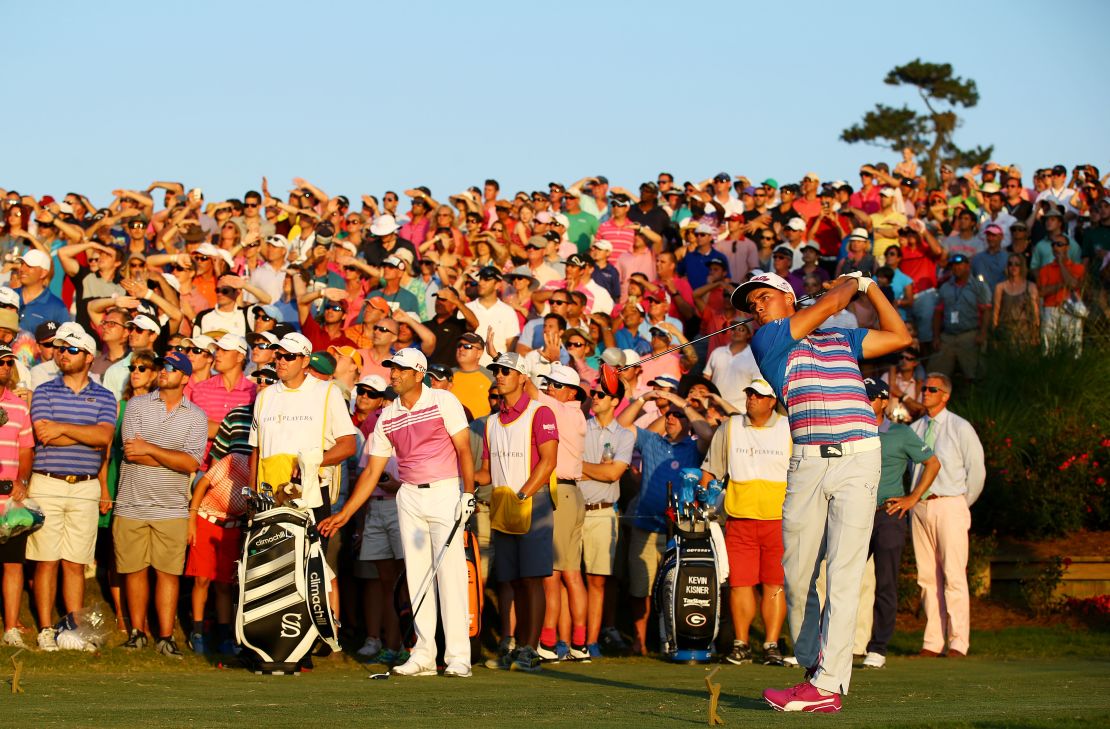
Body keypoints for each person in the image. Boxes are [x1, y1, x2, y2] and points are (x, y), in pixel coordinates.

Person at [732, 269, 911, 713]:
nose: (756, 306)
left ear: (789, 296)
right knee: (797, 574)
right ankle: (815, 668)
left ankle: (827, 683)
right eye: (750, 303)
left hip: (859, 455)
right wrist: (848, 285)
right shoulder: (768, 341)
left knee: (845, 571)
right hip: (808, 462)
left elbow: (899, 336)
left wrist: (870, 288)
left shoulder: (840, 341)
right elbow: (831, 305)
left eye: (763, 297)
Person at [320, 348, 475, 677]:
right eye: (393, 368)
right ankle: (423, 654)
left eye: (402, 369)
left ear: (419, 374)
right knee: (417, 576)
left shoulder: (443, 402)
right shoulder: (388, 416)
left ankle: (459, 656)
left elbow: (463, 449)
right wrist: (346, 513)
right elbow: (373, 472)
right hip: (408, 497)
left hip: (446, 490)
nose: (394, 373)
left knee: (450, 575)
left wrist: (468, 494)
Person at [26, 323, 116, 651]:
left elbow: (103, 438)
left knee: (75, 562)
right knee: (46, 560)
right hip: (47, 481)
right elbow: (43, 434)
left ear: (89, 357)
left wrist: (62, 428)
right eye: (61, 348)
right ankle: (47, 628)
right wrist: (84, 431)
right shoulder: (45, 391)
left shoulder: (105, 396)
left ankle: (73, 629)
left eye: (72, 349)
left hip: (86, 486)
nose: (63, 354)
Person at [115, 351, 208, 657]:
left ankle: (165, 636)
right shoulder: (137, 405)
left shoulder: (196, 415)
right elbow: (132, 452)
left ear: (184, 377)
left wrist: (151, 449)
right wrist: (171, 457)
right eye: (163, 366)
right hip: (131, 504)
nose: (164, 371)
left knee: (168, 574)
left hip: (172, 509)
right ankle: (137, 632)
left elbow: (190, 464)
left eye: (172, 368)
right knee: (134, 570)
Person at [475, 352, 558, 673]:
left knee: (531, 579)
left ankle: (530, 649)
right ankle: (516, 645)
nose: (500, 375)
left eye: (507, 370)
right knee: (510, 580)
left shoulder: (540, 412)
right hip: (503, 503)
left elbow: (548, 461)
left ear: (523, 377)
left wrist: (524, 493)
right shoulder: (492, 421)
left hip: (531, 503)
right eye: (497, 370)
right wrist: (461, 479)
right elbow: (487, 472)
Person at [699, 379, 791, 666]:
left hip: (779, 519)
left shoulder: (789, 428)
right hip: (739, 518)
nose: (751, 399)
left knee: (774, 584)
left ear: (771, 401)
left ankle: (771, 644)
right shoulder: (730, 428)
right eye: (750, 393)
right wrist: (704, 504)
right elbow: (711, 471)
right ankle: (741, 644)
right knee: (740, 583)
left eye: (759, 395)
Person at [857, 377, 939, 669]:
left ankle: (878, 647)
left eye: (867, 397)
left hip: (888, 514)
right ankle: (830, 645)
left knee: (886, 582)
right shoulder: (849, 432)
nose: (862, 402)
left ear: (882, 401)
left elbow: (933, 463)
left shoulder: (901, 433)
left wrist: (913, 497)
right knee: (842, 582)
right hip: (854, 514)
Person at [910, 373, 985, 659]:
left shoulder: (959, 427)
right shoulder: (916, 428)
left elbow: (976, 470)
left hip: (950, 503)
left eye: (932, 389)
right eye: (924, 388)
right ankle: (932, 641)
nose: (926, 392)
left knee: (954, 575)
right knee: (926, 576)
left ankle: (958, 642)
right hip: (920, 506)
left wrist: (962, 503)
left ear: (946, 395)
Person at [577, 379, 634, 658]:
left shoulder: (625, 434)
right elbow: (570, 465)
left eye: (601, 394)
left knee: (597, 581)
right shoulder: (579, 426)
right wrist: (596, 469)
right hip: (574, 509)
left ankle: (591, 642)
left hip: (602, 511)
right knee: (568, 577)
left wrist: (580, 468)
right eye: (594, 393)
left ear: (615, 401)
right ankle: (572, 640)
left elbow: (613, 475)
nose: (595, 397)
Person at [0, 344, 33, 647]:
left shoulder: (19, 407)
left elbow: (26, 449)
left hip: (10, 500)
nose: (5, 366)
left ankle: (11, 628)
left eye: (9, 362)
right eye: (1, 362)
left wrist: (23, 480)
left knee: (13, 564)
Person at [932, 254, 991, 382]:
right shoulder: (945, 287)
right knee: (936, 373)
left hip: (970, 334)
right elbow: (938, 313)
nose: (956, 268)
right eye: (953, 265)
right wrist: (936, 336)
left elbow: (986, 311)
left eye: (959, 264)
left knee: (975, 374)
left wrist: (983, 333)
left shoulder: (978, 286)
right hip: (948, 335)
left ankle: (974, 398)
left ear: (967, 266)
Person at [992, 254, 1040, 348]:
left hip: (1025, 331)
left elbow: (1035, 313)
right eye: (1010, 264)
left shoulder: (1030, 286)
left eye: (1017, 264)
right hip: (1005, 330)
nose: (1013, 267)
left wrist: (1035, 334)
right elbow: (996, 312)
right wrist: (994, 335)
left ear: (1022, 266)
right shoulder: (1000, 287)